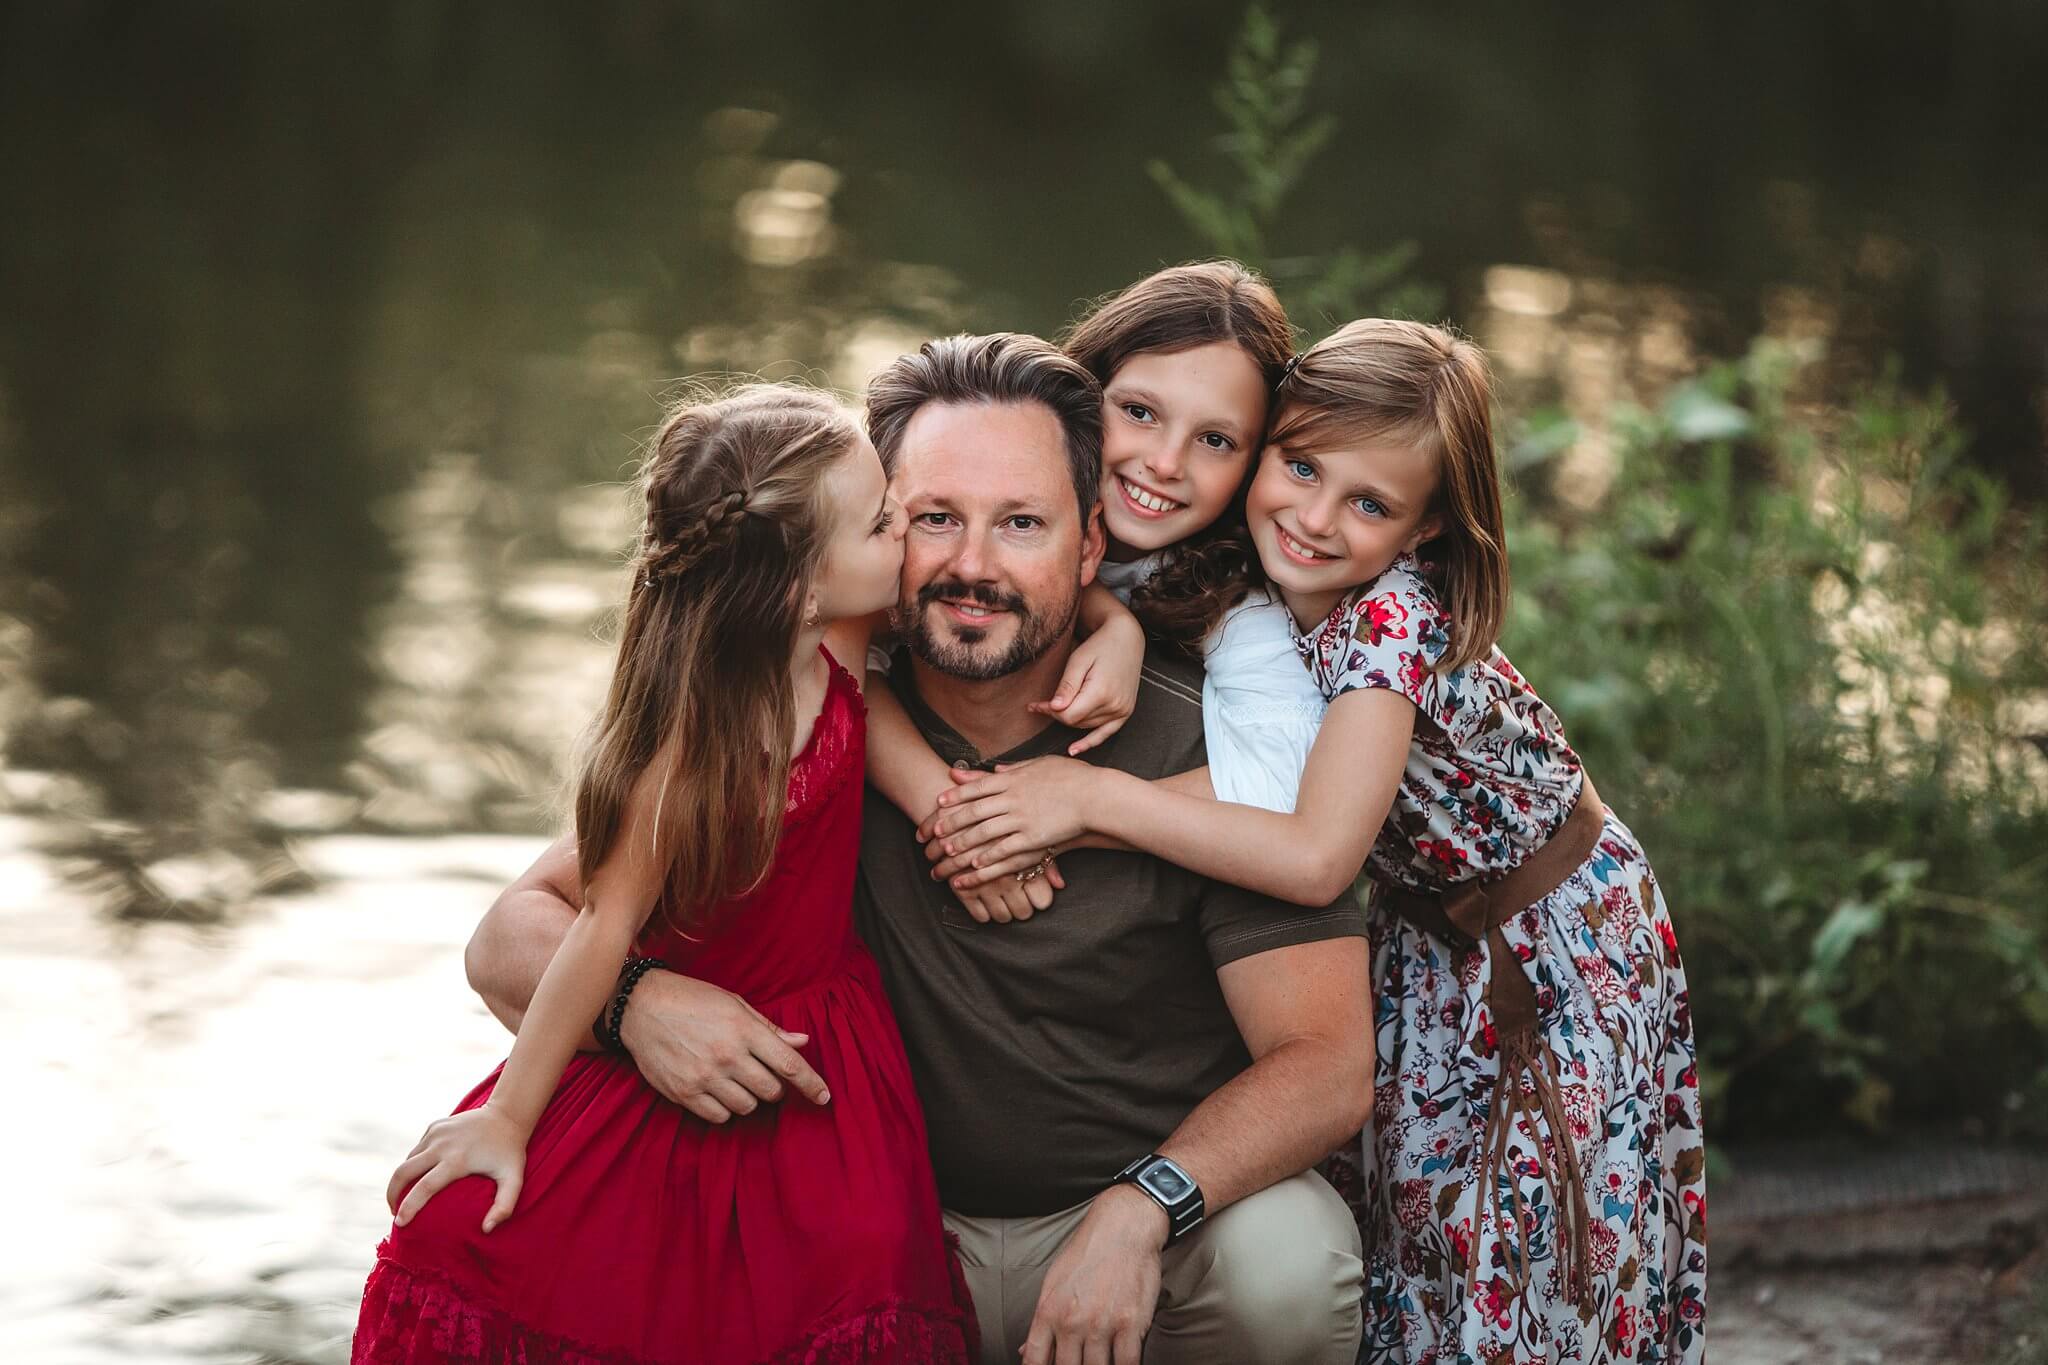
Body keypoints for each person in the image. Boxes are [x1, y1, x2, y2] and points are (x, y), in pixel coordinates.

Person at [467, 333, 1375, 1365]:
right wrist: (640, 1005)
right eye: (934, 519)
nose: (972, 566)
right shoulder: (805, 721)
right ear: (868, 533)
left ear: (1090, 552)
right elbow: (507, 938)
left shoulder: (1202, 750)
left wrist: (1141, 1208)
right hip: (861, 1228)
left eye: (1021, 525)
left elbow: (1324, 1068)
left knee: (1288, 1265)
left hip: (1125, 1231)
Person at [926, 320, 1709, 1363]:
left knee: (1526, 1246)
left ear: (1426, 528)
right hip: (1425, 932)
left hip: (1547, 940)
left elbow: (1312, 853)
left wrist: (1087, 800)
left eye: (1369, 504)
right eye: (1297, 467)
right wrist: (1114, 633)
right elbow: (1133, 609)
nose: (1313, 517)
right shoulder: (1244, 572)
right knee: (1411, 1228)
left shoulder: (1391, 622)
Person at [353, 384, 975, 1364]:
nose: (908, 532)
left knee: (847, 1268)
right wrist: (510, 1119)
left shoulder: (838, 640)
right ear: (800, 587)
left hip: (826, 1044)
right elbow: (601, 929)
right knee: (505, 1250)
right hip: (681, 1054)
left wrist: (1099, 637)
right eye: (882, 522)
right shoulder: (685, 759)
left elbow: (867, 713)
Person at [863, 262, 1328, 933]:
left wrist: (1081, 806)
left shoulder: (1247, 611)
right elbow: (828, 646)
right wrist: (944, 805)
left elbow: (1286, 793)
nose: (1166, 462)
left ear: (1255, 464)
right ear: (1086, 392)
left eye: (1216, 440)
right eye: (1139, 412)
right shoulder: (969, 487)